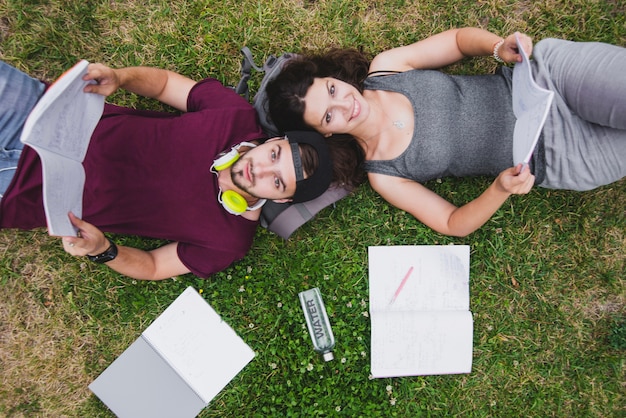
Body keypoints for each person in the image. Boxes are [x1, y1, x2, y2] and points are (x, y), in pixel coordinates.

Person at [266, 27, 626, 237]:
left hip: (549, 78)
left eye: (331, 90)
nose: (345, 105)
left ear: (332, 77)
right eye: (329, 117)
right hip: (560, 157)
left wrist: (496, 47)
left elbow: (455, 42)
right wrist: (500, 189)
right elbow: (452, 222)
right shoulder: (385, 175)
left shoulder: (387, 68)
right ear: (324, 134)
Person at [0, 60, 336, 280]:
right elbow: (163, 85)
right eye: (273, 154)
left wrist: (104, 251)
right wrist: (121, 77)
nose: (259, 170)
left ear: (285, 199)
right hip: (39, 110)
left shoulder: (228, 241)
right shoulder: (235, 115)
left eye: (277, 182)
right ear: (271, 140)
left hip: (18, 188)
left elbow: (154, 266)